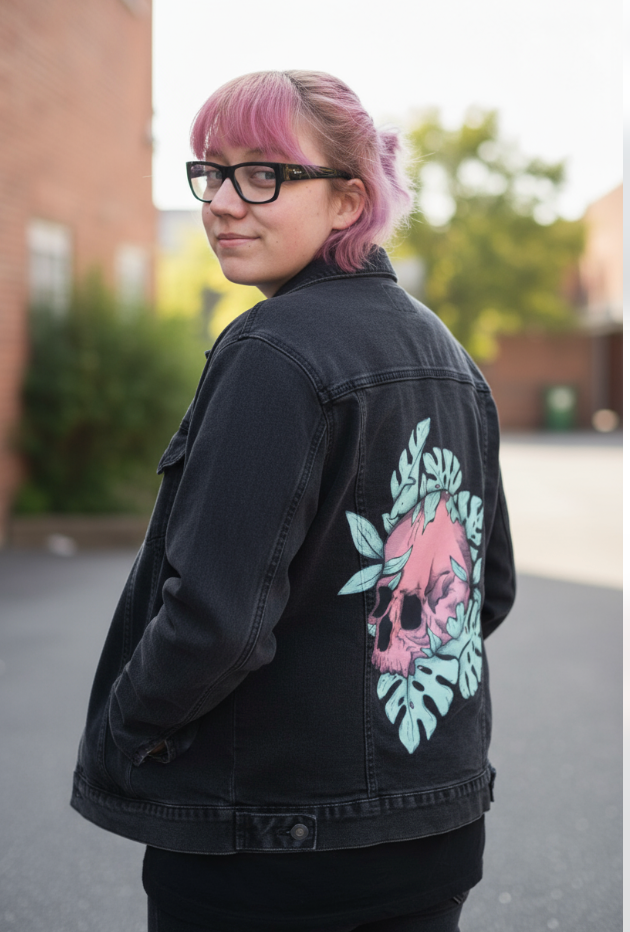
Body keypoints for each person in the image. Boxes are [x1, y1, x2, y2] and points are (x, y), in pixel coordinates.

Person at [71, 70, 516, 932]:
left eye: (263, 174)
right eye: (211, 171)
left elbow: (215, 624)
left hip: (271, 851)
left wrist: (123, 728)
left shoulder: (272, 352)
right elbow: (483, 593)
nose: (224, 202)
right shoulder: (450, 355)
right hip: (437, 830)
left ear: (350, 200)